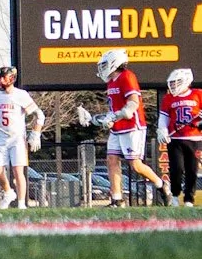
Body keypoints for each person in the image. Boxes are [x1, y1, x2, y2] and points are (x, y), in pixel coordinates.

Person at [78, 48, 165, 207]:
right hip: (117, 128)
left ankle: (161, 184)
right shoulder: (111, 82)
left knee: (136, 165)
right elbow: (113, 112)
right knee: (111, 160)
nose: (102, 68)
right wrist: (93, 119)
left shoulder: (127, 76)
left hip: (132, 127)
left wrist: (115, 116)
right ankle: (117, 199)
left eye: (105, 64)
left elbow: (132, 104)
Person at [0, 64, 45, 211]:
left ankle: (21, 204)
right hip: (1, 137)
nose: (0, 80)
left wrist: (36, 133)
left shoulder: (21, 95)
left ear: (11, 78)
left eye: (3, 77)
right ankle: (8, 193)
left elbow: (39, 115)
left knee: (18, 172)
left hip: (17, 138)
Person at [158, 66, 202, 206]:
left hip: (194, 139)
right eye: (172, 83)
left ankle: (189, 199)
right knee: (177, 169)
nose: (173, 86)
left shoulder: (198, 94)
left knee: (192, 170)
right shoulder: (168, 98)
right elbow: (163, 117)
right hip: (175, 139)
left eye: (177, 82)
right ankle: (175, 195)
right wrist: (162, 130)